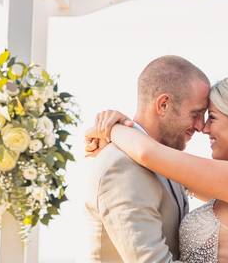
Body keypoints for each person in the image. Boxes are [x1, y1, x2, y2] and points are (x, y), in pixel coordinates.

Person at [86, 71, 228, 263]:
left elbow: (148, 153)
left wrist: (111, 128)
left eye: (213, 118)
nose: (204, 128)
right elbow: (165, 167)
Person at [82, 55, 211, 262]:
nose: (201, 126)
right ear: (163, 105)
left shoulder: (167, 159)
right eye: (195, 114)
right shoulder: (121, 166)